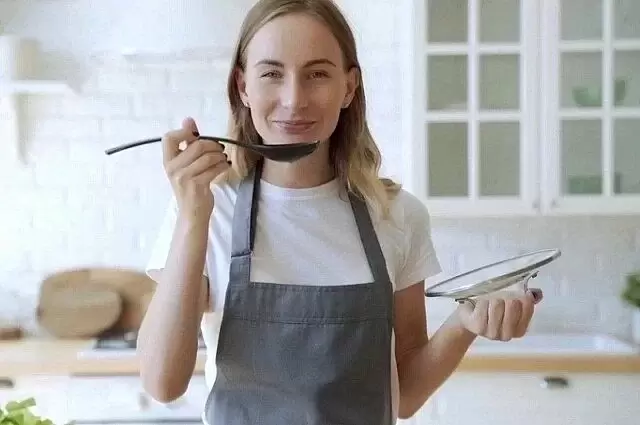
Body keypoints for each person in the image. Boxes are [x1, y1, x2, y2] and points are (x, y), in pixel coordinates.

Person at [137, 0, 543, 424]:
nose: (294, 100)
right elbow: (162, 383)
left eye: (317, 74)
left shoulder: (397, 215)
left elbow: (402, 395)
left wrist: (464, 324)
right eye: (272, 74)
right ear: (243, 86)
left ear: (349, 87)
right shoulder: (208, 209)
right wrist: (192, 215)